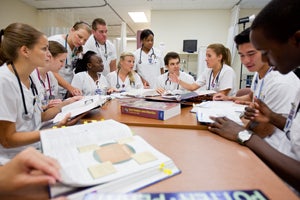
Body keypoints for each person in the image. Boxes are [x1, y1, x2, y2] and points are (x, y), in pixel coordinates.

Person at [208, 0, 300, 192]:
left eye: (265, 51)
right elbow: (294, 130)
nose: (265, 60)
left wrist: (243, 134)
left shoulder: (282, 81)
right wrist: (273, 117)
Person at [0, 23, 81, 165]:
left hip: (35, 149)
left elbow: (39, 117)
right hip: (11, 161)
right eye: (44, 49)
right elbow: (8, 139)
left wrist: (66, 105)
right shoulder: (4, 81)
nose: (49, 54)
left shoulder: (32, 78)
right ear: (25, 51)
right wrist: (53, 131)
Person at [213, 28, 299, 151]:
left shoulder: (280, 82)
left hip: (276, 149)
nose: (246, 61)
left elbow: (266, 129)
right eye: (241, 55)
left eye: (251, 54)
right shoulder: (259, 72)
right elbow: (252, 95)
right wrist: (230, 98)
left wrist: (237, 132)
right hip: (259, 138)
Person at [48, 21, 92, 99]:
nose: (82, 42)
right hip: (53, 88)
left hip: (66, 90)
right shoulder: (55, 42)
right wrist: (70, 88)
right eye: (79, 36)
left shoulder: (77, 48)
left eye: (85, 40)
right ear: (72, 30)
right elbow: (50, 70)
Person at [31, 41, 67, 110]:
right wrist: (45, 107)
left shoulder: (51, 76)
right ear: (49, 57)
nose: (62, 65)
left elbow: (55, 99)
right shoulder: (32, 76)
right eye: (61, 61)